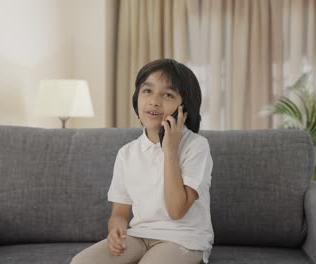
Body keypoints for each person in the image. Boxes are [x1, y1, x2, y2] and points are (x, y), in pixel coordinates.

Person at [71, 58, 213, 264]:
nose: (154, 101)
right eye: (148, 91)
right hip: (139, 236)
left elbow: (176, 210)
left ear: (184, 107)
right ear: (137, 97)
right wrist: (116, 229)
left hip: (183, 239)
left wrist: (170, 150)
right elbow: (120, 213)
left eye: (168, 94)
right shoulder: (126, 153)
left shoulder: (197, 146)